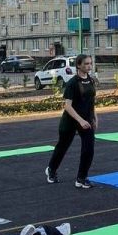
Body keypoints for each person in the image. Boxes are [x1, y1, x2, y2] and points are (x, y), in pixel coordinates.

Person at [45, 54, 98, 189]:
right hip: (71, 120)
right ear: (79, 65)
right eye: (86, 64)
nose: (89, 66)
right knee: (63, 147)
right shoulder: (73, 83)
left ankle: (81, 178)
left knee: (89, 149)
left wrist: (94, 117)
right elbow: (67, 106)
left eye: (90, 63)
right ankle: (51, 169)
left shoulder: (91, 81)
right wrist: (80, 120)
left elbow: (91, 102)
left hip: (86, 120)